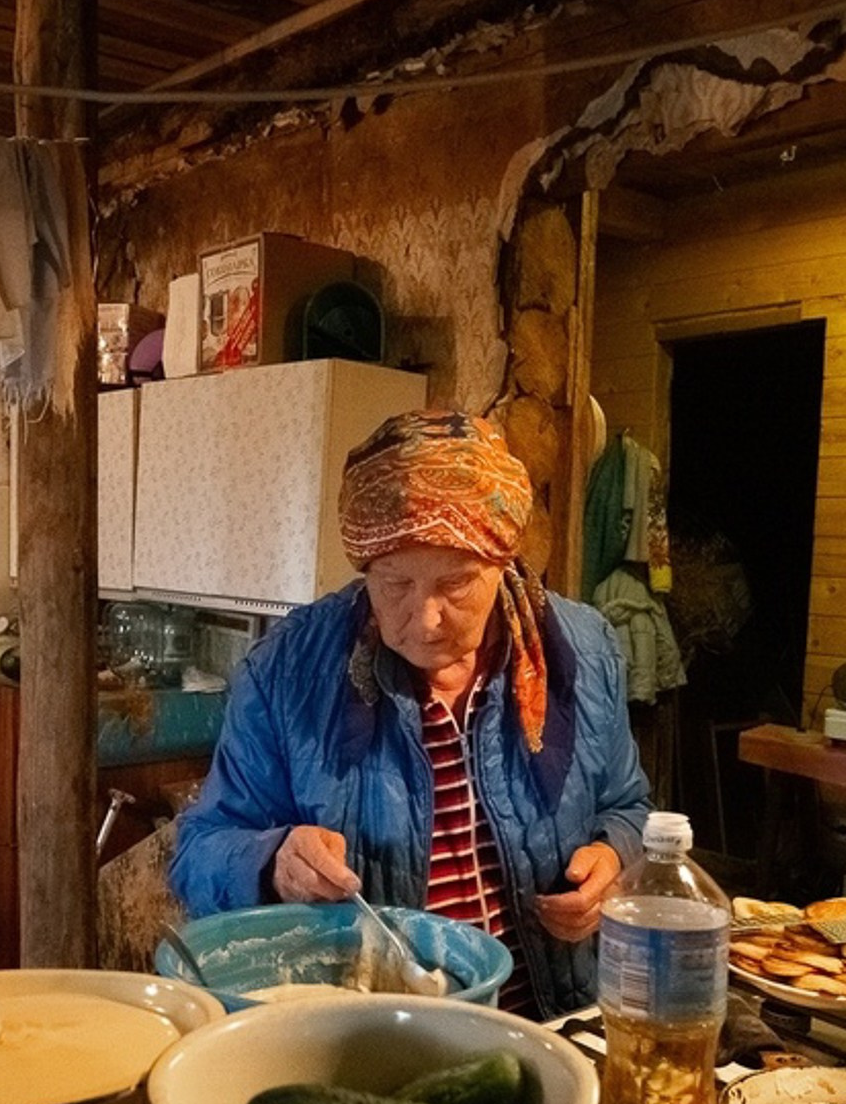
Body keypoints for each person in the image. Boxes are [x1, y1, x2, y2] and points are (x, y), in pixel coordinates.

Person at [169, 409, 651, 1019]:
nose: (425, 620)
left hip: (550, 1018)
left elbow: (628, 806)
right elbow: (198, 851)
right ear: (365, 567)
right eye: (395, 584)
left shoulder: (581, 650)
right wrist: (274, 862)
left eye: (457, 584)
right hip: (368, 1028)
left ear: (501, 561)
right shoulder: (287, 671)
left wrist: (614, 860)